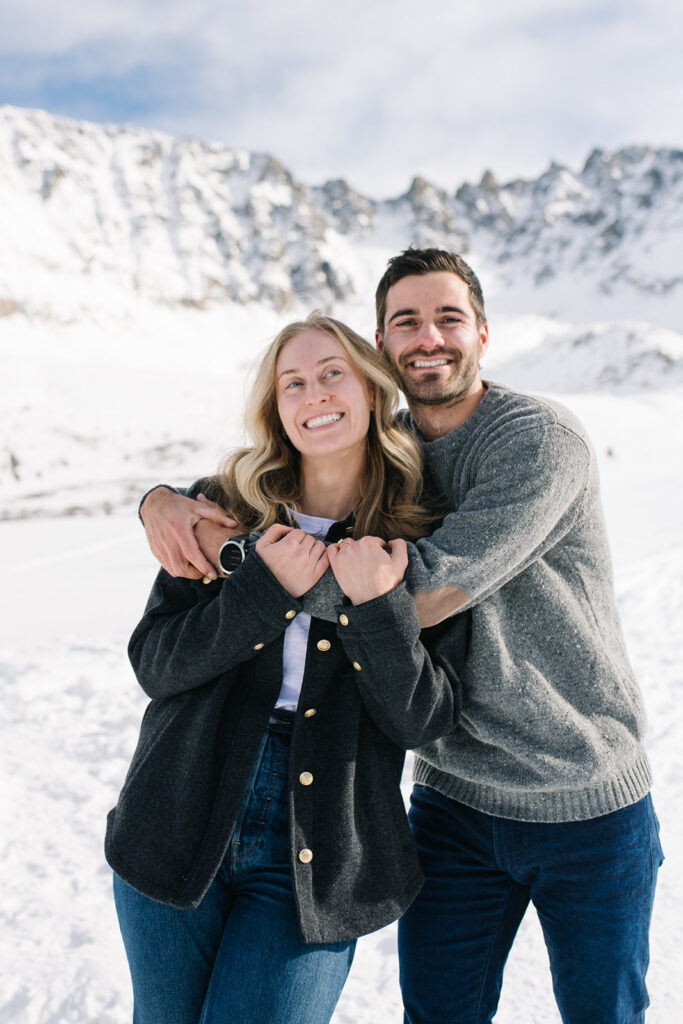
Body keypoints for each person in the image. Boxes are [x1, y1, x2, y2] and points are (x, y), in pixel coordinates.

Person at [139, 249, 662, 1024]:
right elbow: (283, 468)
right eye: (405, 321)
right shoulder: (392, 458)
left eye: (449, 317)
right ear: (381, 349)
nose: (429, 338)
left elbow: (420, 591)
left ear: (483, 331)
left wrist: (242, 561)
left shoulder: (533, 441)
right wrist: (163, 502)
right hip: (453, 802)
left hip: (581, 796)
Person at [106, 312, 464, 1024]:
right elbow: (156, 662)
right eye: (292, 382)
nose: (314, 393)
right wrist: (260, 590)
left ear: (368, 390)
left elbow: (425, 718)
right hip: (179, 814)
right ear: (277, 409)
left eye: (332, 373)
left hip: (325, 844)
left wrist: (376, 609)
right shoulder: (224, 508)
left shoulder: (422, 533)